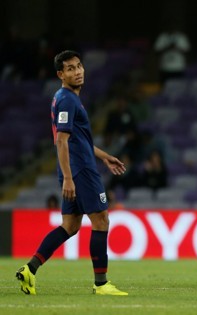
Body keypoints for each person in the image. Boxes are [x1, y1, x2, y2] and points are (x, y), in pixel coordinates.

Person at [15, 50, 128, 296]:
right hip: (81, 170)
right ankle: (101, 284)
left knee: (70, 225)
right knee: (101, 221)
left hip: (78, 166)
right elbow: (61, 141)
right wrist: (68, 177)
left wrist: (104, 156)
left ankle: (30, 269)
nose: (77, 71)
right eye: (70, 68)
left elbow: (77, 139)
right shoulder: (67, 100)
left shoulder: (66, 98)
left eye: (79, 66)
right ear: (60, 74)